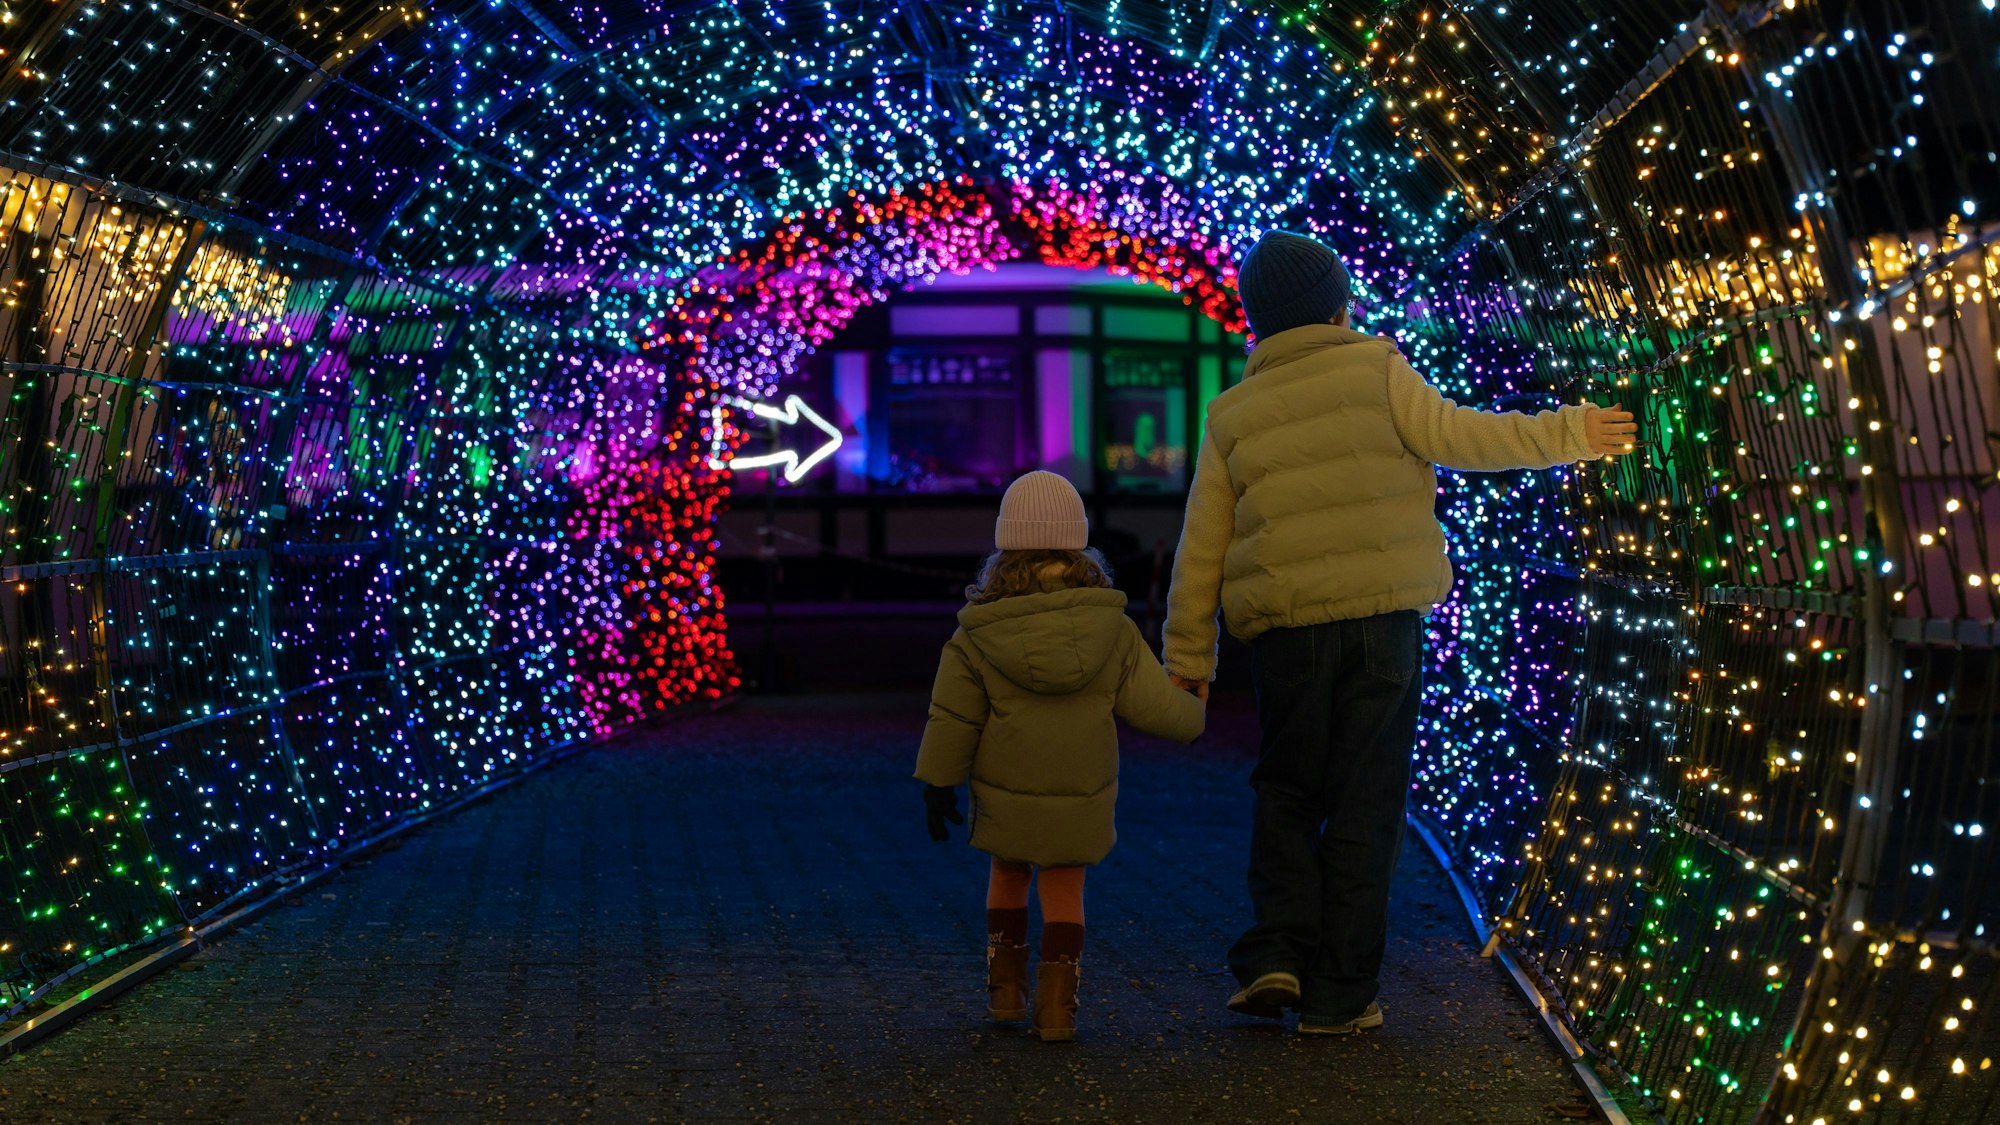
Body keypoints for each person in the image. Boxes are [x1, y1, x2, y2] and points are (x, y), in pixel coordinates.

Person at [1161, 230, 1637, 1036]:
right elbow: (1465, 437)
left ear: (1259, 321)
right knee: (1366, 803)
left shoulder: (1232, 413)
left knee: (1286, 790)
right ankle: (1341, 994)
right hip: (1383, 625)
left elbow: (1201, 540)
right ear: (1340, 304)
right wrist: (1571, 431)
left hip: (1285, 633)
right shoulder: (1380, 371)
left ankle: (1276, 950)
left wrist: (1188, 655)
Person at [916, 470, 1207, 1042]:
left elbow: (954, 716)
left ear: (1006, 545)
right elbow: (1155, 708)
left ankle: (1005, 994)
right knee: (1065, 890)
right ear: (1079, 543)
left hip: (1005, 788)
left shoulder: (976, 633)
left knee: (1006, 875)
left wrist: (938, 782)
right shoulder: (1112, 628)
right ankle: (1056, 1009)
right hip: (1082, 791)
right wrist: (1194, 712)